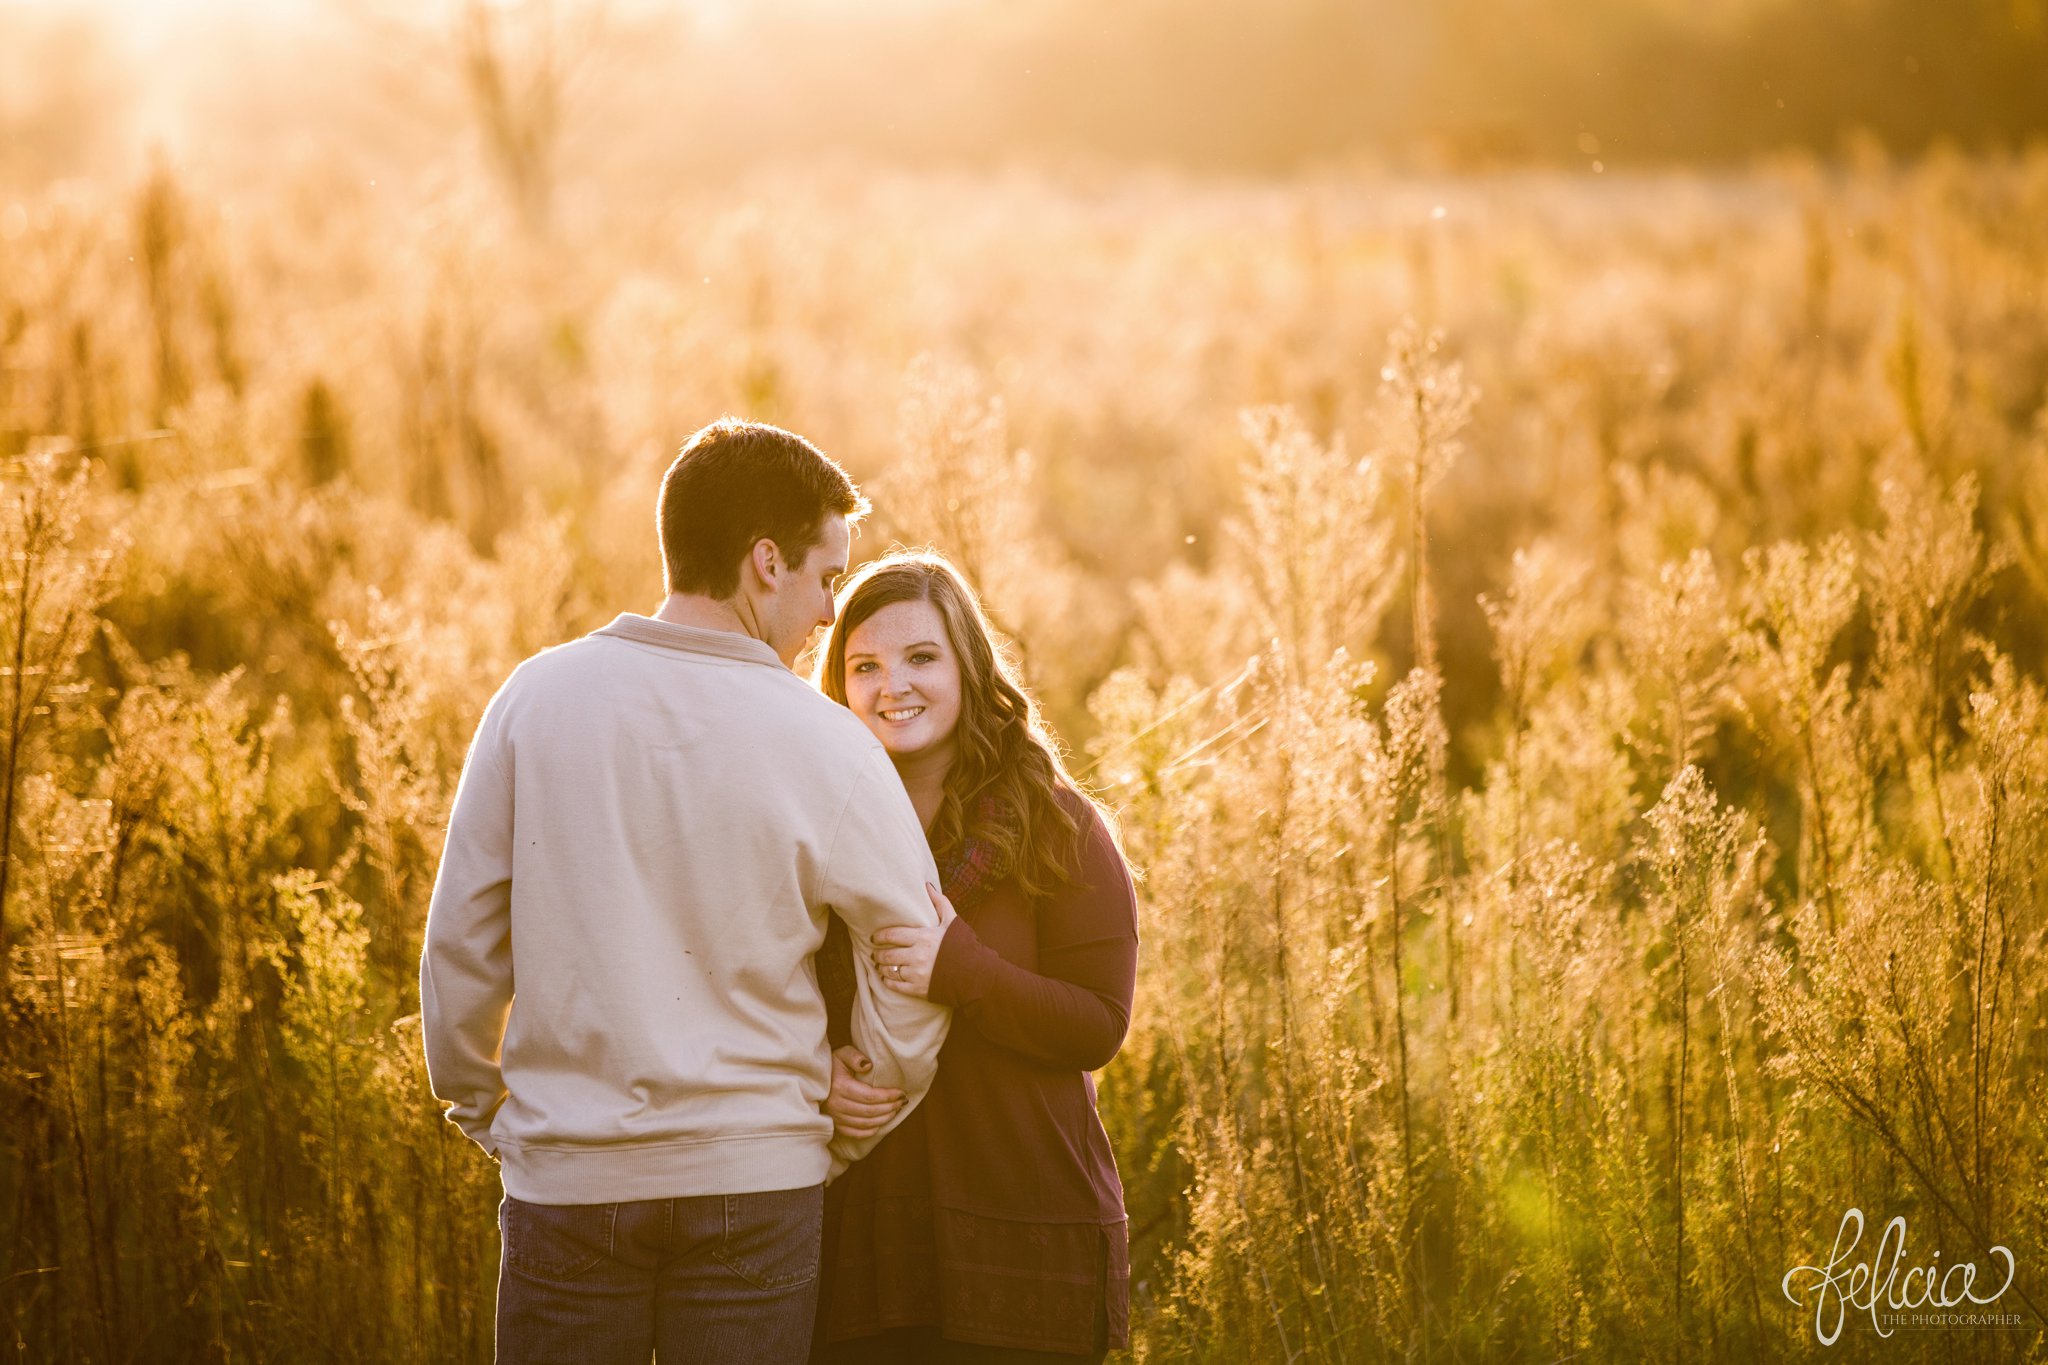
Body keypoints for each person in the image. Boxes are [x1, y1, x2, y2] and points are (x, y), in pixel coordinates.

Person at [420, 419, 950, 1365]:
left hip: (566, 1181)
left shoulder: (534, 701)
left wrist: (486, 1111)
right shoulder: (828, 743)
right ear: (765, 563)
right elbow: (914, 946)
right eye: (828, 578)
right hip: (760, 1181)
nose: (833, 614)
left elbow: (462, 937)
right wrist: (863, 1097)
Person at [808, 552, 1139, 1364]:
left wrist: (960, 966)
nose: (895, 687)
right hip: (866, 1252)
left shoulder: (1057, 825)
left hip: (1027, 1246)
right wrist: (812, 1068)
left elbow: (1098, 1023)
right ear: (838, 684)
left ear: (968, 665)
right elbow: (756, 987)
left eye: (922, 657)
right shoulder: (810, 828)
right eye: (865, 666)